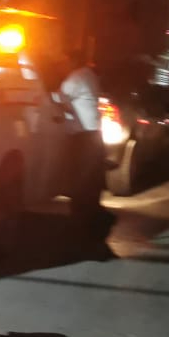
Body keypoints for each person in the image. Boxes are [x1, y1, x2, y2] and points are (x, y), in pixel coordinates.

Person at [59, 48, 113, 229]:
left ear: (72, 61)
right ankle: (91, 211)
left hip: (83, 135)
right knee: (92, 177)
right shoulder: (89, 75)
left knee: (81, 177)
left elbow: (59, 98)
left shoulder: (76, 78)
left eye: (65, 60)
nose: (63, 64)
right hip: (93, 133)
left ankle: (80, 216)